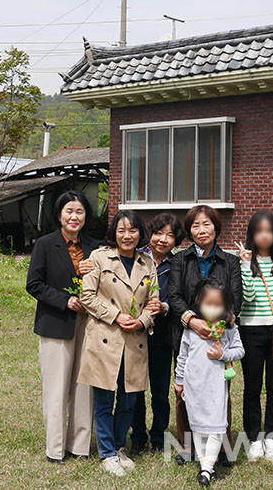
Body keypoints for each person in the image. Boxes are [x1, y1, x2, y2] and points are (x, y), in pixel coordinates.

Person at [77, 210, 163, 477]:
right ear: (114, 232)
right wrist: (116, 315)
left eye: (133, 230)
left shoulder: (148, 263)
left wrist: (143, 320)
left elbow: (155, 302)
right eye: (122, 230)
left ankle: (117, 447)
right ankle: (106, 453)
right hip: (106, 337)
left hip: (135, 338)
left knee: (129, 400)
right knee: (105, 398)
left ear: (140, 233)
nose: (127, 235)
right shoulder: (99, 258)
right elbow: (87, 296)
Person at [25, 191, 100, 464]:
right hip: (56, 323)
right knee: (56, 388)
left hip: (89, 325)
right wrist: (65, 300)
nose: (74, 217)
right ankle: (55, 449)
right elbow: (34, 284)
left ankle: (80, 446)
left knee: (83, 387)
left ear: (85, 216)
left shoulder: (96, 247)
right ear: (59, 214)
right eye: (69, 211)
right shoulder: (45, 244)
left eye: (79, 212)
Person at [168, 205, 243, 466]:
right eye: (195, 226)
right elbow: (174, 296)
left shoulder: (230, 261)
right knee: (185, 390)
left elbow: (235, 297)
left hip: (218, 338)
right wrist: (192, 321)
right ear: (189, 230)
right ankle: (189, 447)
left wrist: (221, 325)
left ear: (216, 227)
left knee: (219, 392)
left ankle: (222, 448)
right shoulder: (180, 260)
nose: (201, 230)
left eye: (206, 224)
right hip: (188, 335)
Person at [234, 211, 273, 461]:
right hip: (250, 331)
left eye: (269, 230)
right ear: (251, 234)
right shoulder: (245, 264)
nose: (264, 235)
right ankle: (253, 437)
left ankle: (272, 435)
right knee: (252, 387)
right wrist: (247, 265)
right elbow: (246, 299)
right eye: (259, 231)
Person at [174, 278, 245, 487]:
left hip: (215, 385)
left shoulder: (229, 329)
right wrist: (179, 381)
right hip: (194, 385)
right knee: (197, 425)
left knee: (215, 426)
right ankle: (207, 464)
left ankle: (206, 469)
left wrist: (223, 354)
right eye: (208, 303)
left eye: (218, 305)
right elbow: (182, 357)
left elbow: (240, 350)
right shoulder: (191, 330)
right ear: (198, 303)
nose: (212, 308)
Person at [130, 213, 185, 455]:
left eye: (170, 235)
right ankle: (138, 435)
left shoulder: (177, 265)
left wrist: (165, 307)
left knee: (160, 391)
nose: (162, 239)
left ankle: (159, 436)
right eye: (158, 233)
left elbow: (179, 295)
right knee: (136, 388)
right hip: (134, 333)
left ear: (177, 241)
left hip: (162, 335)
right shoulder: (136, 258)